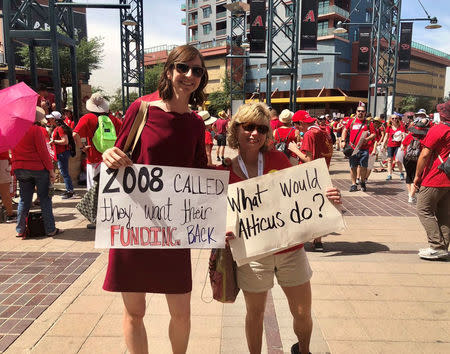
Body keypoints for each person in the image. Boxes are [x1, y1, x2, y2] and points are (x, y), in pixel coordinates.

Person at [101, 44, 209, 354]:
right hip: (135, 226)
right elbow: (119, 154)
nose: (189, 75)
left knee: (182, 313)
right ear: (169, 71)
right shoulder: (142, 109)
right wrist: (109, 154)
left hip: (173, 230)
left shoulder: (195, 123)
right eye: (183, 68)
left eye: (197, 70)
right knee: (135, 312)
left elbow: (201, 174)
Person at [221, 103, 341, 354]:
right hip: (253, 253)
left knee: (302, 311)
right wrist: (223, 228)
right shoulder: (227, 170)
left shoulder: (277, 158)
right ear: (236, 129)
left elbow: (302, 192)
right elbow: (219, 212)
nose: (255, 133)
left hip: (290, 248)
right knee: (255, 313)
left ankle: (304, 350)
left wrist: (327, 196)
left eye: (261, 129)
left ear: (268, 133)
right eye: (249, 127)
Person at [11, 107, 62, 237]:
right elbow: (43, 152)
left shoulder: (13, 130)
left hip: (20, 168)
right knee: (45, 198)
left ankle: (20, 229)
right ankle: (50, 229)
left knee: (24, 199)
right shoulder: (36, 130)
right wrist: (51, 170)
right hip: (38, 168)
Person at [288, 110, 334, 252]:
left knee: (303, 208)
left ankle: (300, 239)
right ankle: (318, 241)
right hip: (322, 173)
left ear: (300, 123)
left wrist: (295, 149)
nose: (295, 128)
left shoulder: (309, 134)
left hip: (310, 176)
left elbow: (308, 159)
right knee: (318, 207)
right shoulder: (322, 130)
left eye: (295, 125)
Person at [414, 101, 450, 260]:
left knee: (423, 208)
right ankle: (443, 246)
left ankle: (436, 245)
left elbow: (424, 154)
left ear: (442, 114)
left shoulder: (440, 129)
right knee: (444, 214)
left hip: (436, 176)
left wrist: (417, 175)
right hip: (448, 178)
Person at [73, 93, 122, 191]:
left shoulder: (87, 118)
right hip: (111, 159)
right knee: (110, 191)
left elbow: (75, 134)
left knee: (94, 190)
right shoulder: (113, 119)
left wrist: (82, 147)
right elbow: (124, 133)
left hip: (94, 160)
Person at [340, 105, 376, 192]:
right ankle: (353, 184)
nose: (360, 113)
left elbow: (373, 134)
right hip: (353, 148)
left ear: (365, 113)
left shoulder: (368, 123)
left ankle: (362, 181)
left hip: (364, 149)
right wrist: (343, 140)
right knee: (353, 167)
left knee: (363, 167)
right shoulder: (352, 121)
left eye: (362, 111)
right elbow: (345, 130)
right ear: (356, 112)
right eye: (359, 111)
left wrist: (367, 139)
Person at [401, 118, 430, 204]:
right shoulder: (424, 138)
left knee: (409, 176)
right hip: (418, 160)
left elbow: (402, 146)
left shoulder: (409, 136)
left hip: (407, 159)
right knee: (416, 177)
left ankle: (410, 194)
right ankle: (411, 196)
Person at [49, 111, 75, 199]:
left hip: (62, 153)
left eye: (51, 118)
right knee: (64, 172)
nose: (49, 120)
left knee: (64, 173)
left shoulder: (60, 128)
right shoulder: (59, 128)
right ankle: (69, 190)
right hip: (62, 153)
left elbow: (65, 141)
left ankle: (70, 191)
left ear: (55, 119)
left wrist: (54, 141)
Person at [382, 114, 405, 180]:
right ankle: (389, 174)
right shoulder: (389, 127)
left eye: (396, 118)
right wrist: (383, 145)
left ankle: (401, 173)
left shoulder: (401, 127)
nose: (394, 119)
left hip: (398, 145)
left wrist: (402, 145)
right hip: (390, 145)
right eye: (393, 118)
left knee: (398, 160)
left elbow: (403, 136)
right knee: (389, 160)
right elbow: (386, 136)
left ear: (398, 119)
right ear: (390, 119)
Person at [0, 150, 15, 223]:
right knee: (5, 193)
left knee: (5, 193)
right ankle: (10, 215)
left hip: (3, 161)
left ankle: (9, 214)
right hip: (2, 161)